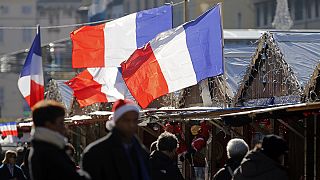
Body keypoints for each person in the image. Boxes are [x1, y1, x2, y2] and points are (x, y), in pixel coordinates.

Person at [81, 99, 151, 180]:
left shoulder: (142, 152)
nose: (131, 125)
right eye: (126, 120)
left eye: (134, 120)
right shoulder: (96, 152)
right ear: (117, 121)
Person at [29, 100, 90, 180]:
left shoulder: (47, 147)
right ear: (49, 125)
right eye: (61, 123)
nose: (64, 127)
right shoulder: (47, 152)